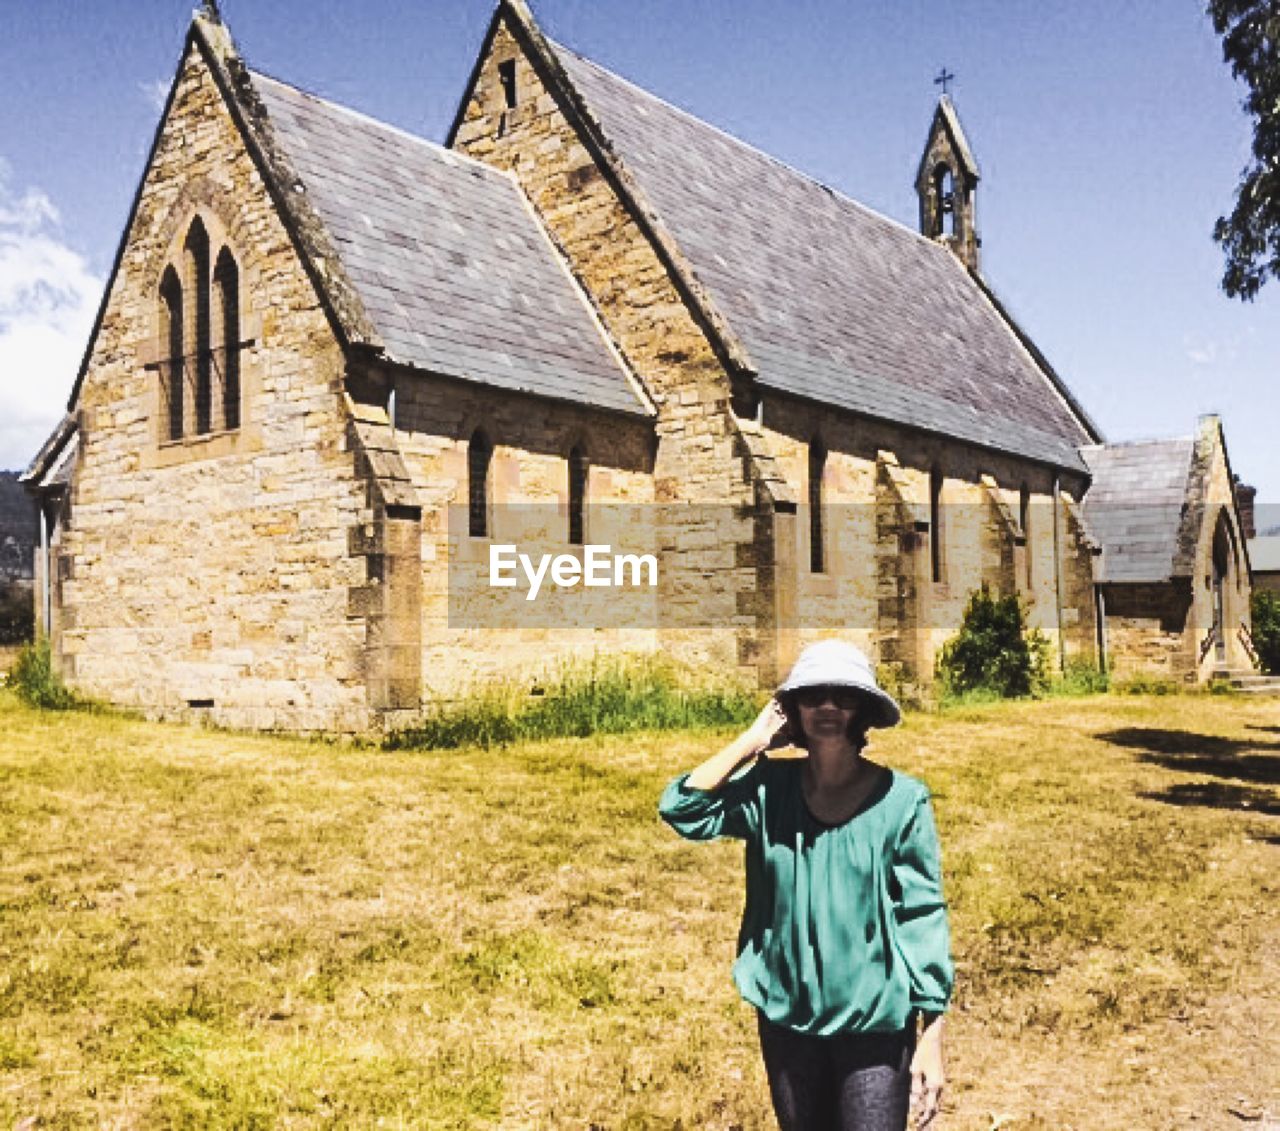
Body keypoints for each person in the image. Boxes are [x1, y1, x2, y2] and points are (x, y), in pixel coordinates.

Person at [658, 639, 953, 1131]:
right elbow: (683, 809)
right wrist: (751, 742)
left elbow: (922, 916)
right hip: (787, 1017)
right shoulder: (768, 791)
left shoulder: (903, 801)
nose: (830, 707)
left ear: (864, 711)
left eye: (845, 696)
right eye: (814, 695)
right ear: (793, 708)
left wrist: (932, 1034)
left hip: (874, 1025)